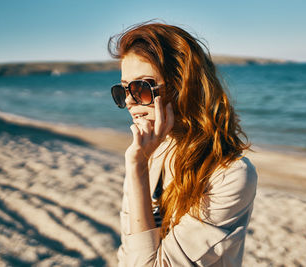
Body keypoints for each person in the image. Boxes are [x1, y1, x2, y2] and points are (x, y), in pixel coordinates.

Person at [108, 21, 257, 267]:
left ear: (182, 86)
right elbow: (127, 255)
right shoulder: (149, 152)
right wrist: (139, 165)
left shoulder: (230, 176)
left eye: (140, 88)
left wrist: (137, 169)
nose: (129, 101)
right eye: (123, 90)